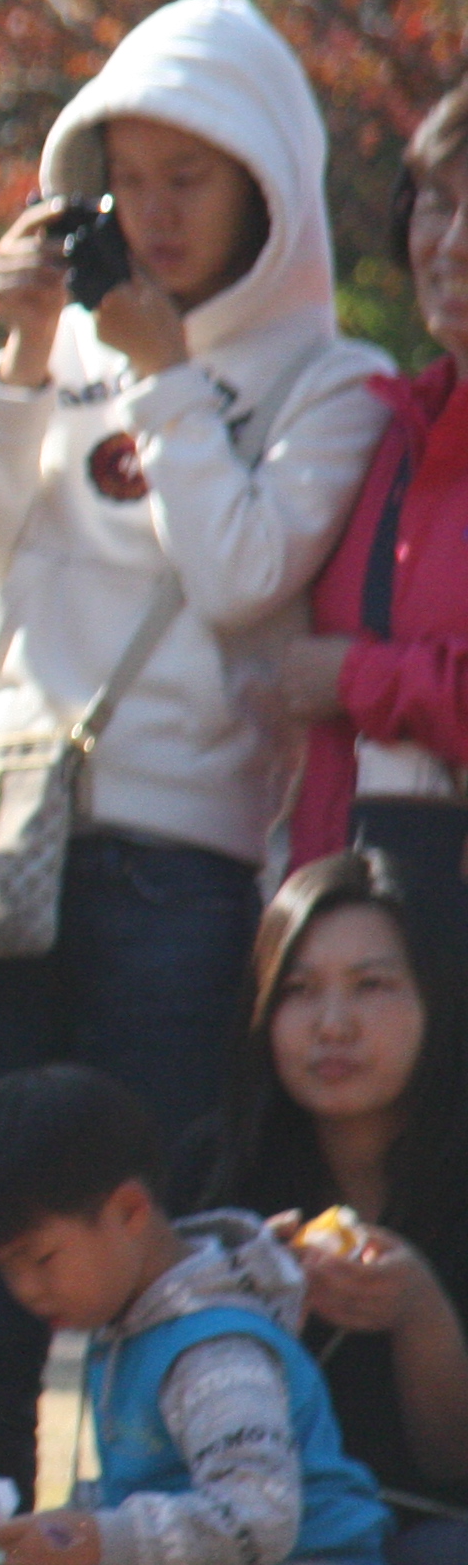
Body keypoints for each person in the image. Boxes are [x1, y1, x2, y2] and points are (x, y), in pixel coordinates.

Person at [0, 0, 393, 1565]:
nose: (161, 209)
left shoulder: (333, 381)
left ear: (270, 188)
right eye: (129, 173)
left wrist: (173, 383)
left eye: (196, 175)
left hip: (178, 870)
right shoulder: (71, 350)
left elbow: (243, 575)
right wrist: (25, 362)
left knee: (153, 1259)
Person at [0, 1065, 388, 1565]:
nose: (28, 1291)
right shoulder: (130, 1325)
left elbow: (258, 1514)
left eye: (41, 1259)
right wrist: (35, 1538)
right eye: (6, 1270)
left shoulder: (210, 1351)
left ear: (129, 1212)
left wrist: (86, 1540)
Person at [175, 852, 468, 1565]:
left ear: (436, 999)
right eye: (299, 992)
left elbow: (454, 1465)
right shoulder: (213, 1176)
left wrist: (421, 1314)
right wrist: (228, 1299)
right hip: (260, 1562)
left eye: (371, 986)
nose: (333, 1025)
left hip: (433, 1555)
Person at [267, 76, 468, 963]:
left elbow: (345, 678)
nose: (452, 245)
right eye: (438, 203)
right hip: (353, 958)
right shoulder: (383, 429)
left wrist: (358, 678)